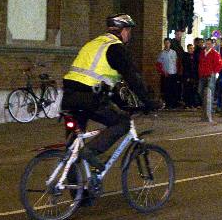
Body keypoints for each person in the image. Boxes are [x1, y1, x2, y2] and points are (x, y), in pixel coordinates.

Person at [62, 13, 160, 173]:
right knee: (122, 123)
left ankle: (81, 194)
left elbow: (109, 85)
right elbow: (133, 78)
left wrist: (123, 103)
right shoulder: (115, 48)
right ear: (123, 31)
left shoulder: (93, 43)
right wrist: (149, 102)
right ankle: (91, 151)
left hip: (69, 97)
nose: (129, 35)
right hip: (89, 97)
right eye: (129, 31)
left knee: (73, 149)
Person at [198, 38, 222, 121]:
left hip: (210, 75)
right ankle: (205, 106)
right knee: (200, 91)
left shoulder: (215, 53)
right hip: (202, 75)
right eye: (206, 43)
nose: (207, 45)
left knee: (210, 92)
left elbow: (219, 64)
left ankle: (210, 109)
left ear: (212, 45)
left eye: (209, 44)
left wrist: (214, 72)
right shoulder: (202, 52)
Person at [156, 38, 179, 108]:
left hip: (173, 73)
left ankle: (173, 104)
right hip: (166, 75)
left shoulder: (174, 52)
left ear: (170, 44)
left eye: (168, 43)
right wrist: (162, 72)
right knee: (166, 90)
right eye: (165, 43)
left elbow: (177, 63)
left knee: (173, 89)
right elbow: (158, 65)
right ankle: (167, 104)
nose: (167, 44)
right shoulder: (161, 53)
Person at [181, 43, 196, 108]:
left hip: (193, 76)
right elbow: (185, 67)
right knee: (186, 90)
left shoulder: (194, 56)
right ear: (187, 49)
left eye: (192, 48)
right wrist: (187, 77)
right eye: (190, 48)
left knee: (192, 90)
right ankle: (187, 103)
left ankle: (191, 103)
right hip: (187, 76)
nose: (192, 50)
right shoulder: (185, 56)